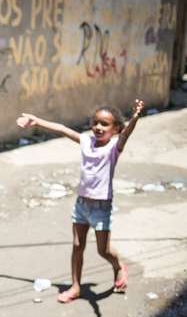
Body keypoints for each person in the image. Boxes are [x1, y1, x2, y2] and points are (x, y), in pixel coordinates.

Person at [17, 99, 144, 303]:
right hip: (81, 204)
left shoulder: (113, 148)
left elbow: (126, 134)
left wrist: (135, 118)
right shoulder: (86, 141)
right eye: (95, 123)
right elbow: (62, 129)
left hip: (101, 207)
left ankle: (118, 266)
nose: (98, 127)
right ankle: (75, 287)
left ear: (116, 129)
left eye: (104, 124)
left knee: (103, 250)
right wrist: (36, 120)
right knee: (77, 245)